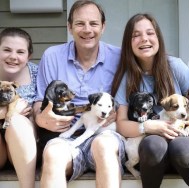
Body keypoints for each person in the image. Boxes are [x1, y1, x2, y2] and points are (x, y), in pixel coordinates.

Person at [111, 13, 189, 188]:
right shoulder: (127, 78)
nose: (144, 39)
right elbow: (121, 123)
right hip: (152, 156)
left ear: (158, 37)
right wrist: (146, 126)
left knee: (182, 148)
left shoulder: (175, 67)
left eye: (150, 33)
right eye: (136, 35)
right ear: (129, 43)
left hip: (185, 147)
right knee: (153, 144)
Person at [33, 1, 125, 187]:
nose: (87, 30)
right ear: (69, 27)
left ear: (103, 26)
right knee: (53, 155)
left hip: (104, 133)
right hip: (66, 135)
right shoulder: (52, 56)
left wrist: (119, 112)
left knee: (104, 148)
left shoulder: (119, 58)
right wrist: (40, 118)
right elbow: (38, 102)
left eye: (93, 23)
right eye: (80, 23)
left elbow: (125, 99)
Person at [0, 27, 38, 188]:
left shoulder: (37, 74)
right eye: (7, 50)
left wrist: (13, 117)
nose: (13, 57)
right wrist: (5, 113)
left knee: (17, 122)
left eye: (20, 52)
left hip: (26, 145)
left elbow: (42, 109)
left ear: (29, 56)